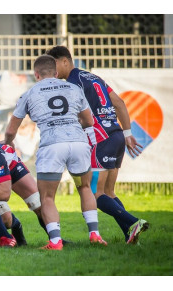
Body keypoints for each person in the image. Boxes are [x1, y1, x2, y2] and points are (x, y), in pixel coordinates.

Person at [46, 46, 148, 244]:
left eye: (54, 64)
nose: (52, 69)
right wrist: (127, 133)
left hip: (100, 138)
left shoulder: (73, 83)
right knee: (108, 193)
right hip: (116, 134)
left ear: (65, 61)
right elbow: (119, 103)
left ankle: (134, 222)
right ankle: (130, 233)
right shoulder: (93, 78)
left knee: (94, 194)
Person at [4, 55, 107, 250]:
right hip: (78, 142)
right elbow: (89, 121)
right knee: (84, 188)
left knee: (48, 197)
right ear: (56, 73)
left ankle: (55, 242)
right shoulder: (74, 88)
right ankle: (95, 234)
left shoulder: (30, 93)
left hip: (52, 146)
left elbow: (11, 130)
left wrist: (7, 142)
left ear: (36, 74)